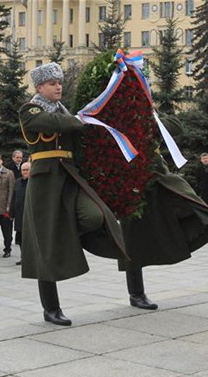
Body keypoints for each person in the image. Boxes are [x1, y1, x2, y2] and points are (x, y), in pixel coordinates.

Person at [19, 62, 127, 326]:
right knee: (46, 246)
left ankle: (68, 236)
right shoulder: (30, 110)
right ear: (40, 87)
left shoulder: (66, 113)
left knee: (94, 215)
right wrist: (80, 120)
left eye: (60, 83)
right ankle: (51, 308)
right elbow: (52, 122)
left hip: (69, 176)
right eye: (53, 83)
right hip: (45, 183)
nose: (58, 87)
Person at [117, 117, 208, 310]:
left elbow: (176, 127)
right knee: (132, 237)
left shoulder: (148, 118)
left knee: (185, 204)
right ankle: (136, 293)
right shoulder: (118, 116)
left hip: (159, 178)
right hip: (131, 183)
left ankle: (185, 238)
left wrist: (151, 114)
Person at [10, 161, 30, 266]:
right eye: (23, 170)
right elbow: (13, 198)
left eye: (27, 170)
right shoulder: (17, 182)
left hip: (30, 216)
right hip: (19, 215)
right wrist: (11, 213)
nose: (25, 172)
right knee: (21, 239)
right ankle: (24, 257)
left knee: (29, 239)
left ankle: (31, 258)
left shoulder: (34, 182)